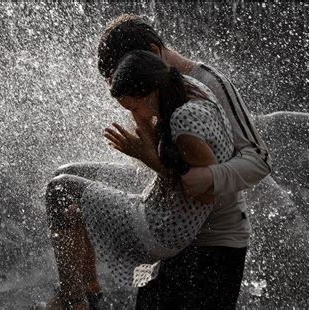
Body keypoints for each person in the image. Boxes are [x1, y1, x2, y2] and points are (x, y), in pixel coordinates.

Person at [40, 48, 244, 310]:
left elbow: (208, 192)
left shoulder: (185, 123)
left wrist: (145, 156)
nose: (134, 116)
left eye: (134, 107)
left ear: (150, 93)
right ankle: (86, 291)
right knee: (71, 202)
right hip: (164, 208)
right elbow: (180, 164)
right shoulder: (185, 88)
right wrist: (147, 140)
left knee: (59, 189)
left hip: (164, 227)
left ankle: (72, 301)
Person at [95, 14, 272, 309]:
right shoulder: (152, 93)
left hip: (212, 242)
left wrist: (211, 177)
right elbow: (168, 168)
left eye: (129, 69)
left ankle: (80, 297)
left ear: (152, 53)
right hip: (175, 233)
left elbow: (259, 159)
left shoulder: (208, 83)